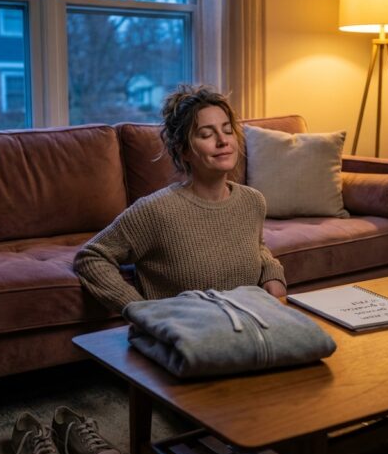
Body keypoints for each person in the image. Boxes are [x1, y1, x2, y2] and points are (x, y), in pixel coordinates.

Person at [74, 83, 287, 311]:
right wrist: (141, 311)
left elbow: (256, 245)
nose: (222, 141)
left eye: (227, 130)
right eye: (206, 134)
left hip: (253, 322)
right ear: (183, 150)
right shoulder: (156, 210)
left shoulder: (253, 201)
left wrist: (272, 272)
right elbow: (91, 257)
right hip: (190, 331)